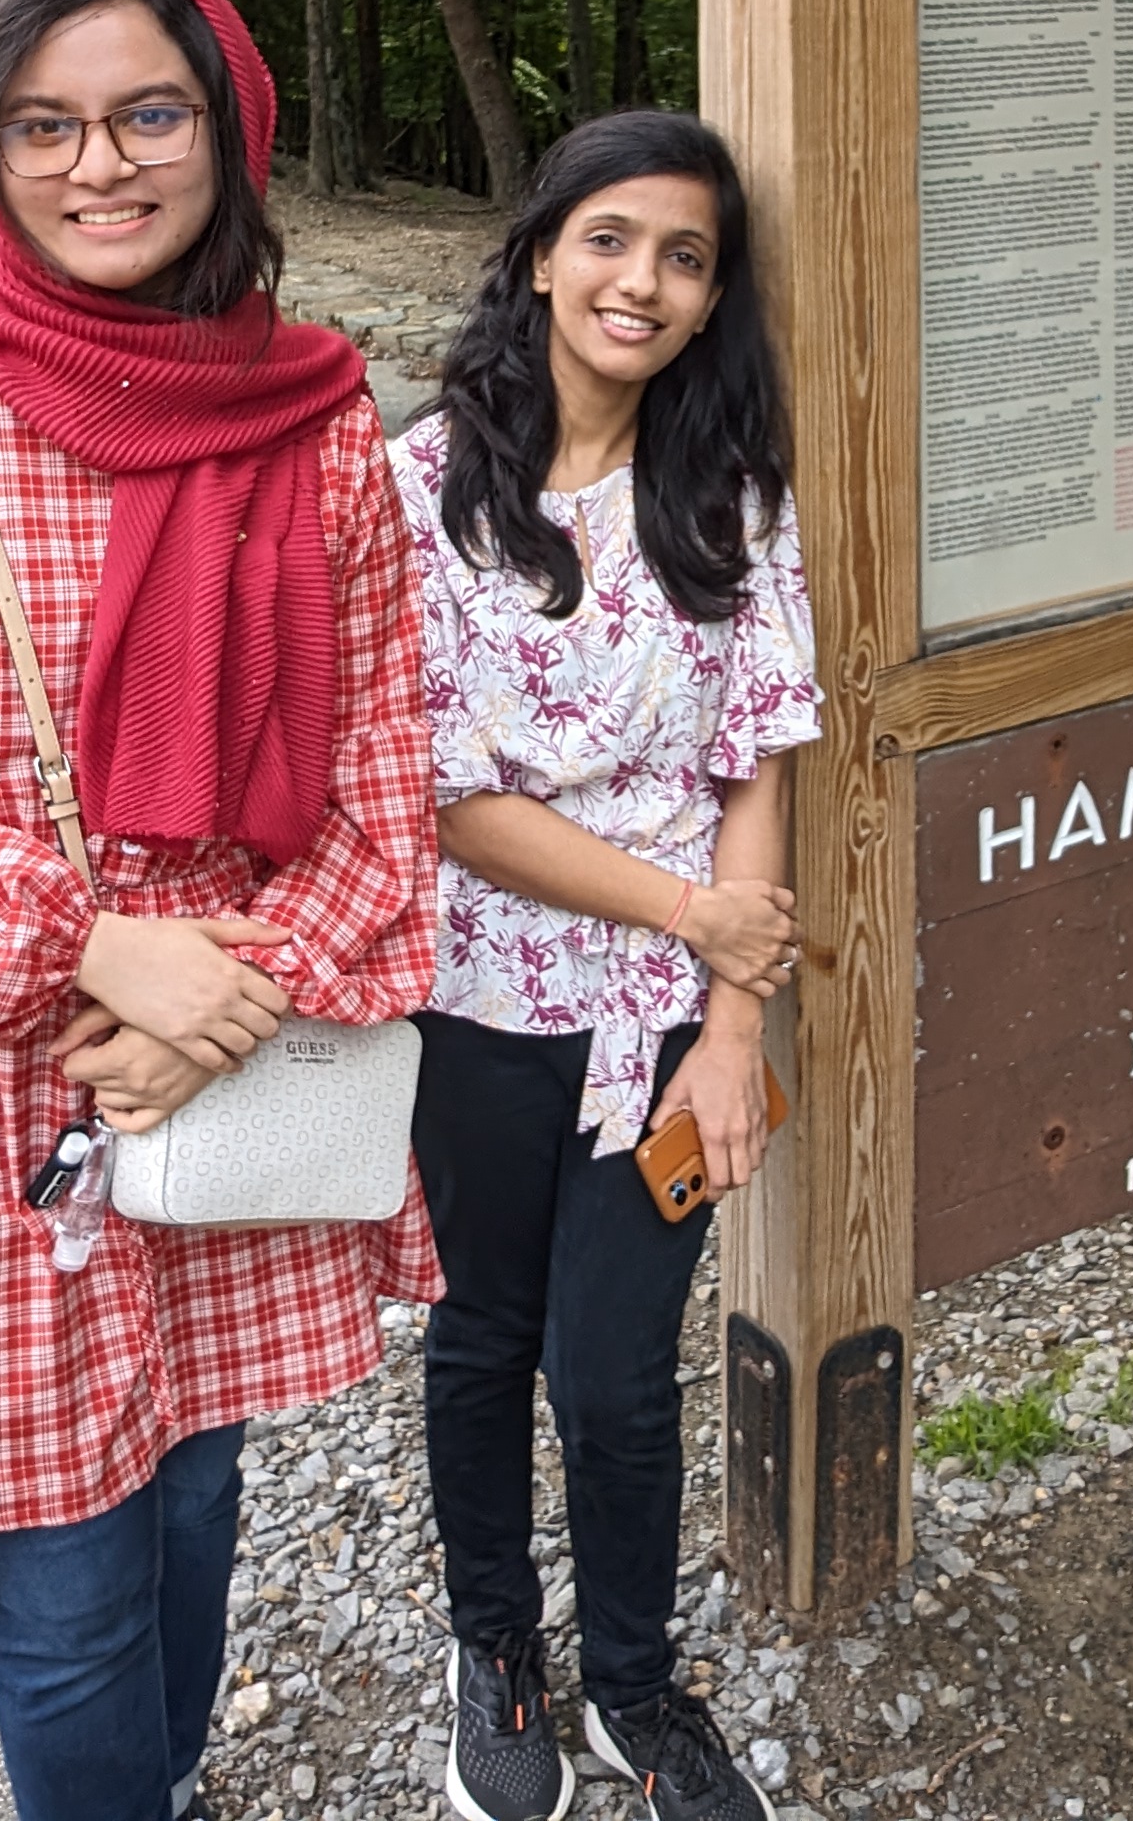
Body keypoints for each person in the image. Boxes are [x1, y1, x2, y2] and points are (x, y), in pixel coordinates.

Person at [0, 0, 438, 1821]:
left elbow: (389, 780)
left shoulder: (321, 431)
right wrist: (91, 955)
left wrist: (216, 1007)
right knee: (53, 1596)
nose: (99, 166)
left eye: (146, 113)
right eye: (42, 127)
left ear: (226, 125)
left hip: (233, 1063)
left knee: (200, 1502)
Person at [391, 112, 819, 1821]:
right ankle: (494, 1648)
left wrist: (731, 1025)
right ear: (544, 252)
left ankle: (639, 1686)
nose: (643, 281)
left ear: (714, 301)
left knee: (620, 1369)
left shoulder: (727, 492)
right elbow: (443, 794)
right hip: (483, 1002)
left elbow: (758, 759)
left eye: (687, 257)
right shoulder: (421, 488)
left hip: (664, 1026)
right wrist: (687, 916)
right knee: (484, 1338)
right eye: (612, 240)